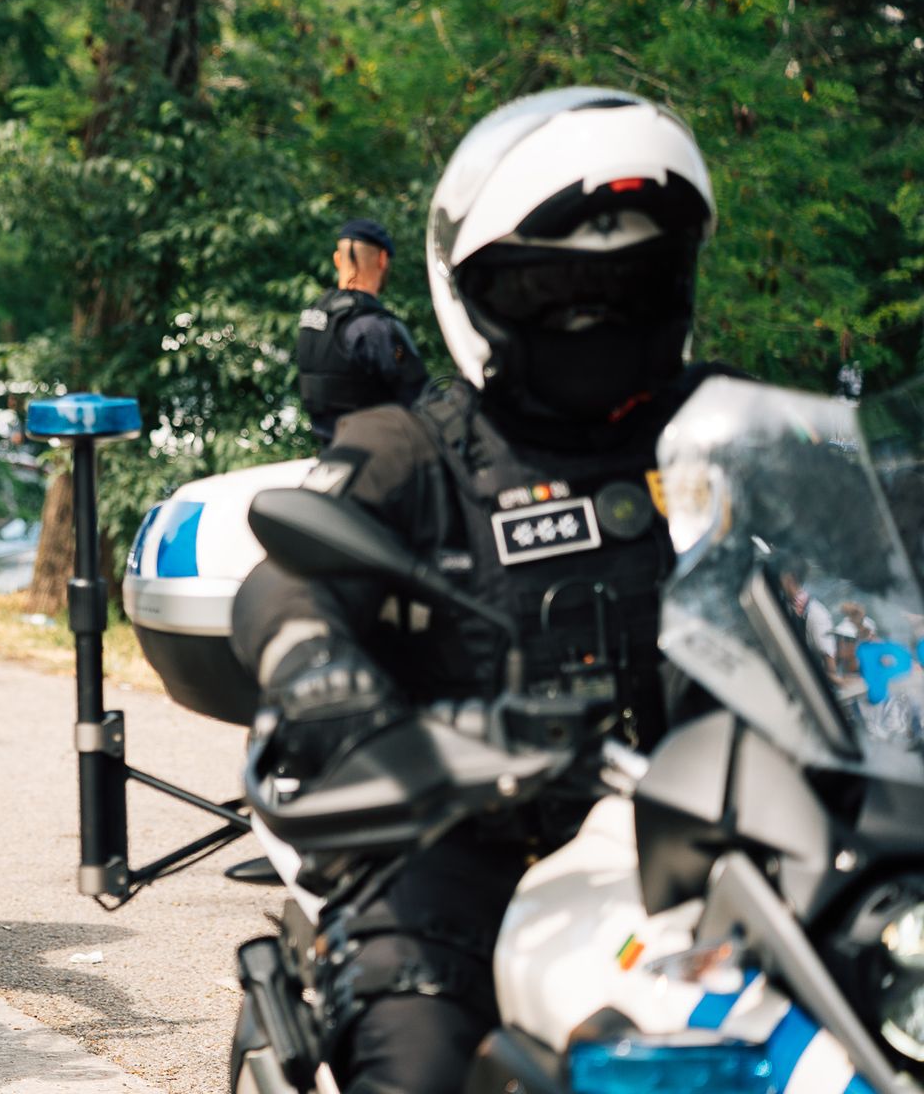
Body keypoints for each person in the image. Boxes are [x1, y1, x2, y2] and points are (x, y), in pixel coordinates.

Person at [230, 88, 725, 1094]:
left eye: (628, 287)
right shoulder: (413, 447)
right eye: (553, 290)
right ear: (476, 288)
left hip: (714, 837)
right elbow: (283, 580)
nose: (593, 318)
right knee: (418, 1064)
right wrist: (324, 676)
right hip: (463, 840)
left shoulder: (725, 431)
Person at [295, 219, 429, 445]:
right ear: (383, 259)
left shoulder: (311, 318)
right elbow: (422, 402)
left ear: (337, 259)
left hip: (329, 456)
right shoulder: (375, 327)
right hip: (379, 463)